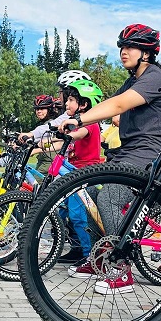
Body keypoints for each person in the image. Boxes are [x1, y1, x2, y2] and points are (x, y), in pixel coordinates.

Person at [59, 24, 161, 294]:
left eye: (130, 47)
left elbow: (119, 105)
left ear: (147, 52)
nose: (124, 52)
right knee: (89, 194)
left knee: (110, 196)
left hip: (152, 151)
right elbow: (112, 104)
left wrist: (78, 118)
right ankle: (100, 259)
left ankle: (122, 269)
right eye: (122, 47)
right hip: (129, 150)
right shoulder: (134, 80)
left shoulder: (154, 76)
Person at [55, 79, 104, 267]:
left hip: (84, 174)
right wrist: (37, 146)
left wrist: (68, 133)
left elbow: (79, 133)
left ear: (83, 104)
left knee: (78, 215)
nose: (66, 104)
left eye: (71, 100)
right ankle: (77, 249)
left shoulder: (90, 124)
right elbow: (63, 141)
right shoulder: (78, 124)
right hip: (75, 173)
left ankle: (88, 255)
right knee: (65, 211)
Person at [21, 94, 64, 174]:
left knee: (35, 183)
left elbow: (51, 143)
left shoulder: (51, 125)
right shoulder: (43, 124)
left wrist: (36, 149)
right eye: (37, 109)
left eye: (42, 108)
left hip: (49, 162)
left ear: (50, 109)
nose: (39, 111)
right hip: (43, 161)